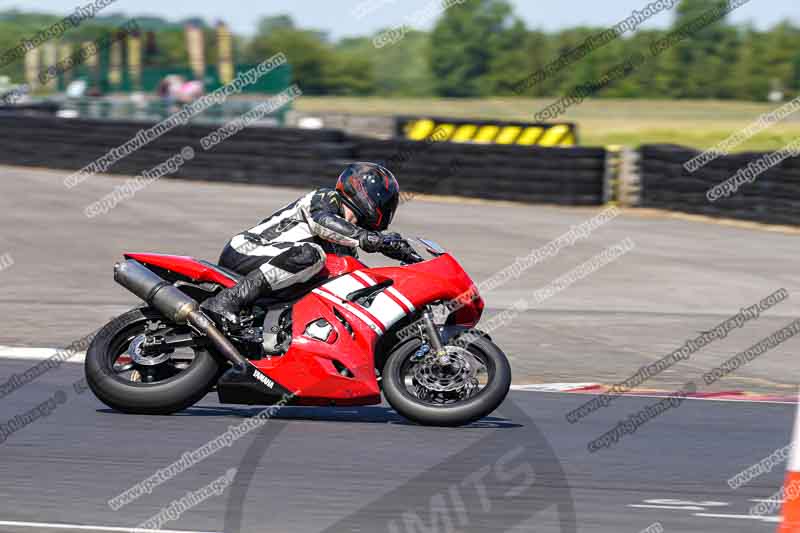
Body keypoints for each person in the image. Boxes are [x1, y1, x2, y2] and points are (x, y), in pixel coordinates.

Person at [200, 162, 423, 326]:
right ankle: (225, 301)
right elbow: (323, 223)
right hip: (246, 252)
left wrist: (404, 266)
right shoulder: (326, 198)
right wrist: (375, 240)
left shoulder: (346, 245)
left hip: (273, 271)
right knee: (311, 254)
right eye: (384, 199)